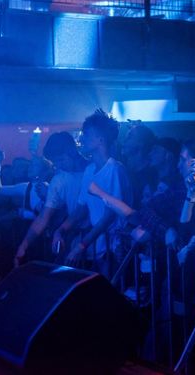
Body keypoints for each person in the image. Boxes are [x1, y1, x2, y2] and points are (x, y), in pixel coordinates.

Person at [53, 109, 132, 276]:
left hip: (114, 248)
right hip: (97, 246)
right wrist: (60, 230)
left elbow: (109, 216)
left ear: (100, 140)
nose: (81, 139)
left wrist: (82, 245)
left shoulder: (115, 169)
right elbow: (80, 209)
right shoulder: (89, 170)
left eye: (86, 135)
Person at [15, 131, 88, 267]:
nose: (59, 166)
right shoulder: (59, 179)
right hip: (76, 243)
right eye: (56, 162)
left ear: (72, 151)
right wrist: (24, 245)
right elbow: (44, 217)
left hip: (105, 242)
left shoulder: (94, 169)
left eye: (61, 160)